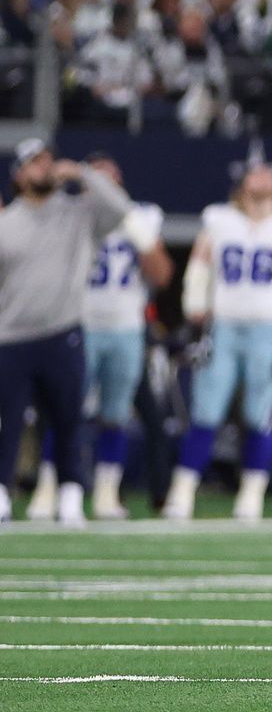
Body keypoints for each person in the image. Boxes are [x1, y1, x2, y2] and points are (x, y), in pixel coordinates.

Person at [164, 155, 272, 521]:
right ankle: (182, 492)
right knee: (206, 410)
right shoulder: (219, 220)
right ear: (241, 182)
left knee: (259, 414)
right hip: (224, 326)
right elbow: (199, 270)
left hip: (270, 328)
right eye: (256, 173)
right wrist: (194, 314)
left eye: (269, 173)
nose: (263, 179)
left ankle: (252, 495)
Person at [0, 139, 132, 524]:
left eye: (46, 160)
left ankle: (71, 494)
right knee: (8, 421)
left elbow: (121, 208)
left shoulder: (77, 213)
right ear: (19, 175)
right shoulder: (8, 223)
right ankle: (3, 495)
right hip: (12, 337)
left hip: (63, 332)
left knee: (68, 419)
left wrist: (84, 172)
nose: (43, 168)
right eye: (33, 163)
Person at [70, 155, 172, 519]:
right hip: (77, 324)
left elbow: (161, 275)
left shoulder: (139, 219)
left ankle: (106, 494)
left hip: (126, 327)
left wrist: (139, 237)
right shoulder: (70, 217)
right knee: (67, 411)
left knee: (116, 414)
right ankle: (51, 492)